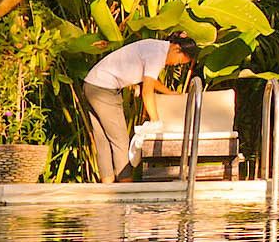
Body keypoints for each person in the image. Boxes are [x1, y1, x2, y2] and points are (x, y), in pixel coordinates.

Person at [81, 34, 198, 182]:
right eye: (179, 61)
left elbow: (150, 80)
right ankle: (125, 186)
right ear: (176, 48)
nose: (175, 64)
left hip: (91, 84)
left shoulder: (156, 47)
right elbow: (147, 92)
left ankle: (107, 186)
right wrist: (155, 121)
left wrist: (169, 92)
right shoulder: (157, 55)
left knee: (103, 139)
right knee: (120, 141)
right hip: (104, 89)